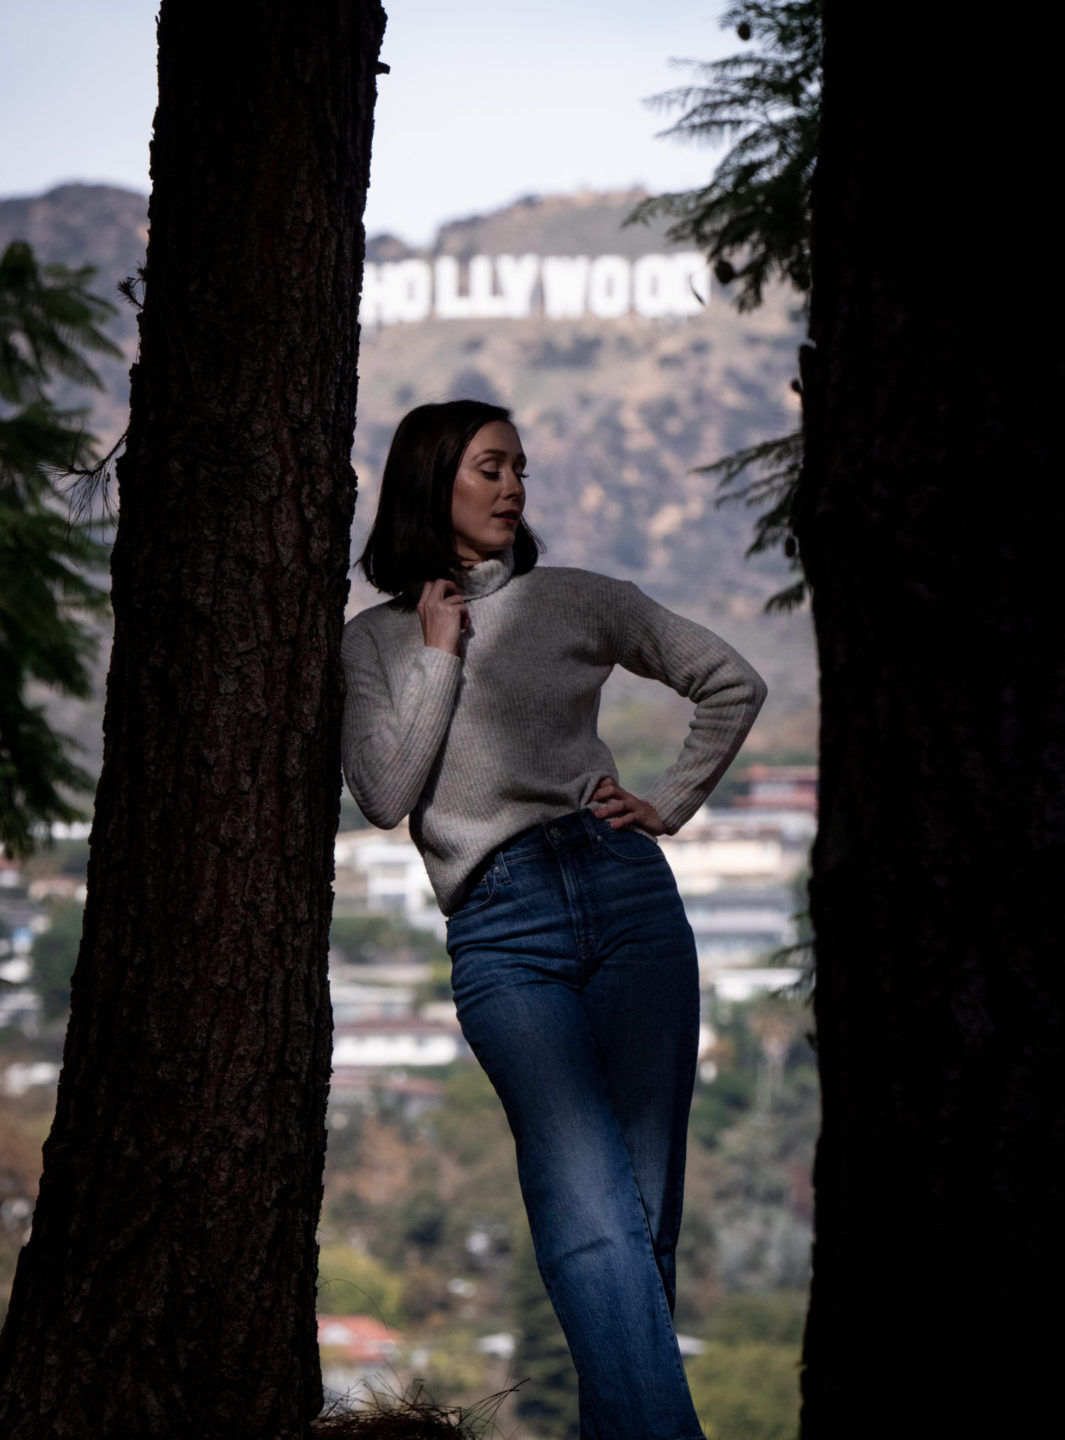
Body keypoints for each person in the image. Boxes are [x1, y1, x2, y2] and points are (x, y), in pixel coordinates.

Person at [341, 399, 767, 1440]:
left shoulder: (578, 598)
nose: (514, 487)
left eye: (521, 468)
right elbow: (386, 793)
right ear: (432, 478)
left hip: (626, 899)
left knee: (640, 1218)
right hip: (501, 930)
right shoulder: (372, 645)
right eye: (491, 467)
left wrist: (668, 802)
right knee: (586, 1202)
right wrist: (440, 651)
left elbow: (731, 680)